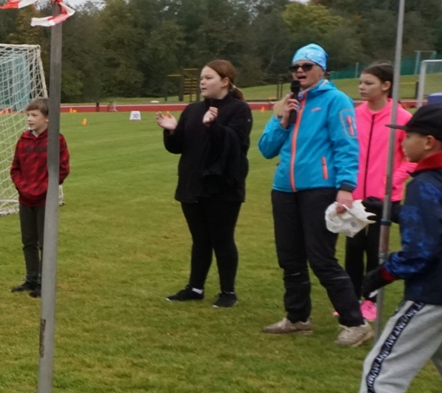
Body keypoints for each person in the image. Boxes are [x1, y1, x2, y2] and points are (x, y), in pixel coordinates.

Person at [323, 102, 442, 393]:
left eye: (408, 136)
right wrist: (392, 208)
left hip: (432, 296)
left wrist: (381, 274)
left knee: (380, 374)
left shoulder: (424, 183)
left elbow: (422, 251)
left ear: (429, 142)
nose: (402, 143)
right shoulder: (431, 182)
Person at [258, 44, 372, 345]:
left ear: (322, 70)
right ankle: (297, 317)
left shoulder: (336, 100)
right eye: (295, 67)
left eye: (307, 66)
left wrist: (345, 187)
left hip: (319, 189)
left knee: (321, 258)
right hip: (284, 189)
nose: (300, 71)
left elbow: (347, 144)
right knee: (289, 258)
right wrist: (283, 121)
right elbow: (266, 148)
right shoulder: (288, 102)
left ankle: (355, 322)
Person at [156, 59, 253, 307]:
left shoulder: (239, 110)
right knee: (200, 239)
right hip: (193, 184)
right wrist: (172, 130)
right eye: (201, 78)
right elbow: (179, 147)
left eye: (208, 77)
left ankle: (228, 292)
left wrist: (214, 126)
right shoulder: (192, 110)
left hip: (223, 186)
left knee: (222, 239)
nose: (202, 82)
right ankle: (195, 288)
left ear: (225, 81)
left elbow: (237, 145)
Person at [346, 63, 415, 321]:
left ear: (386, 86)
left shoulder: (402, 118)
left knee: (375, 252)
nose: (362, 87)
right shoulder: (355, 114)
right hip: (355, 197)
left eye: (368, 83)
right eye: (360, 83)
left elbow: (413, 158)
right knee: (353, 249)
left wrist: (393, 180)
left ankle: (371, 300)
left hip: (384, 199)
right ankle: (351, 298)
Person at [9, 97, 70, 296]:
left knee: (45, 242)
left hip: (45, 199)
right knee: (28, 241)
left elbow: (62, 169)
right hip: (25, 198)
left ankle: (44, 282)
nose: (29, 119)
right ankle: (31, 279)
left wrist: (45, 188)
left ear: (47, 118)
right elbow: (15, 168)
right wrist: (22, 187)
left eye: (34, 115)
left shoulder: (56, 140)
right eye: (28, 115)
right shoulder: (23, 140)